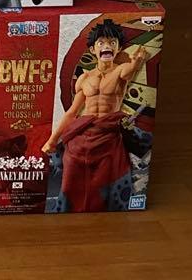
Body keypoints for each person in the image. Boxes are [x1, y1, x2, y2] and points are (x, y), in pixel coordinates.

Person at [42, 21, 151, 212]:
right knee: (70, 180)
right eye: (101, 43)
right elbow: (72, 112)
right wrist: (51, 141)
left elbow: (129, 70)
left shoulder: (121, 70)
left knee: (107, 182)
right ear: (93, 49)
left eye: (112, 42)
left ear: (118, 48)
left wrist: (137, 61)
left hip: (108, 137)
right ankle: (66, 210)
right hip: (83, 135)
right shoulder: (84, 78)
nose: (107, 46)